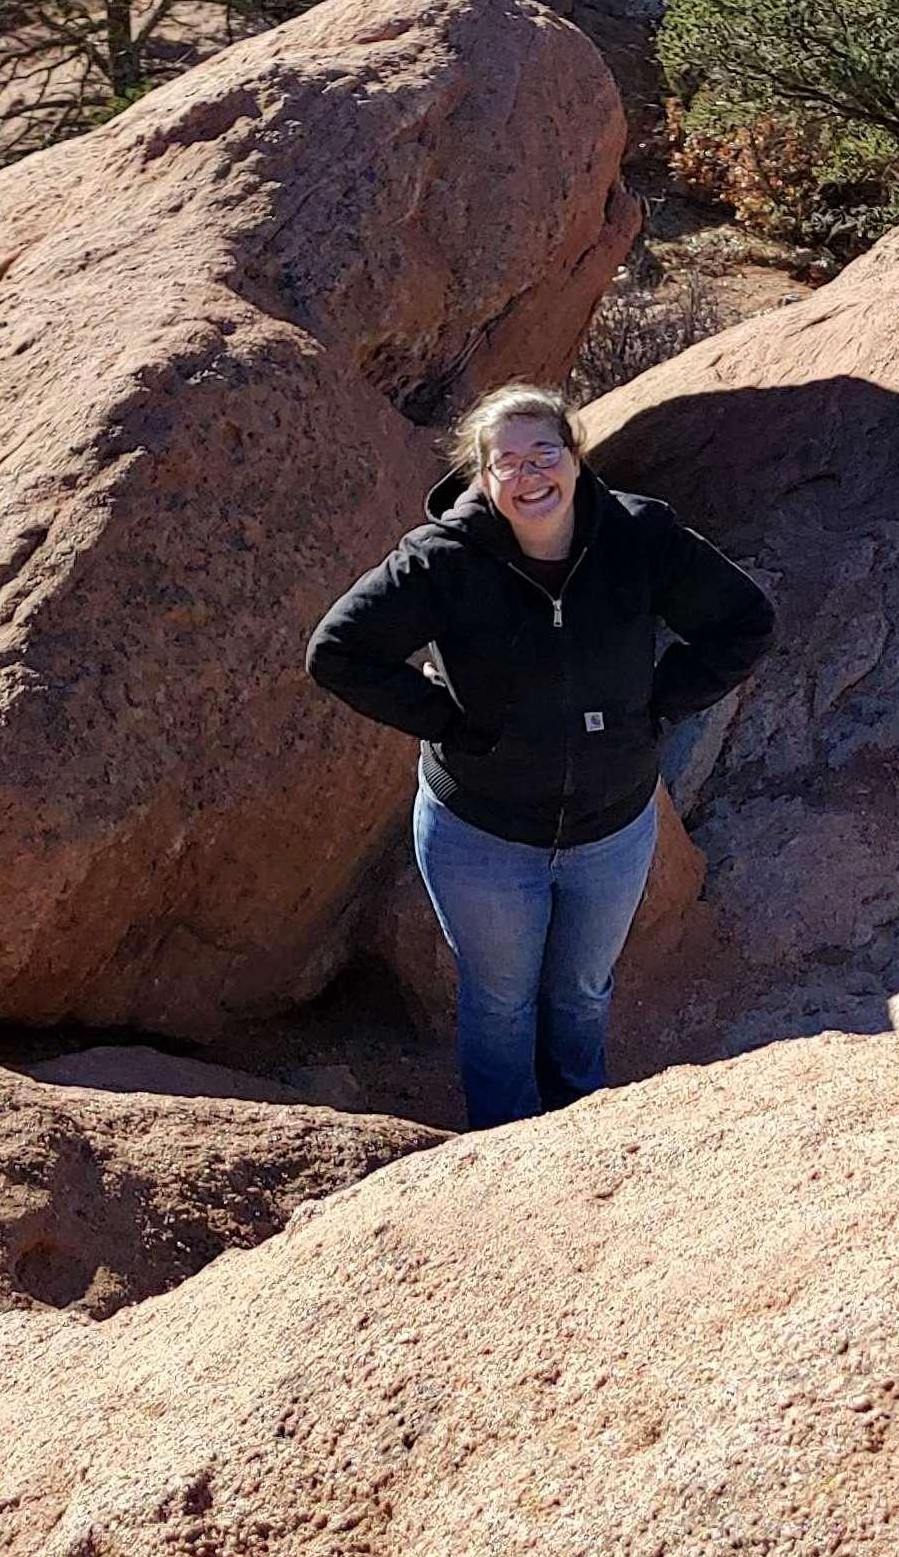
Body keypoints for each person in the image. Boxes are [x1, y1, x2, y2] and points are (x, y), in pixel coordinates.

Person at [305, 383, 773, 1131]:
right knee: (499, 1003)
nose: (529, 475)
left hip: (610, 830)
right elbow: (337, 650)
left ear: (576, 458)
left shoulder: (637, 537)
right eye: (507, 461)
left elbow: (744, 622)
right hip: (481, 835)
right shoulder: (444, 560)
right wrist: (446, 723)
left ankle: (575, 1133)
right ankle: (505, 1148)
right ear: (483, 478)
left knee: (583, 994)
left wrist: (655, 706)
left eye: (544, 453)